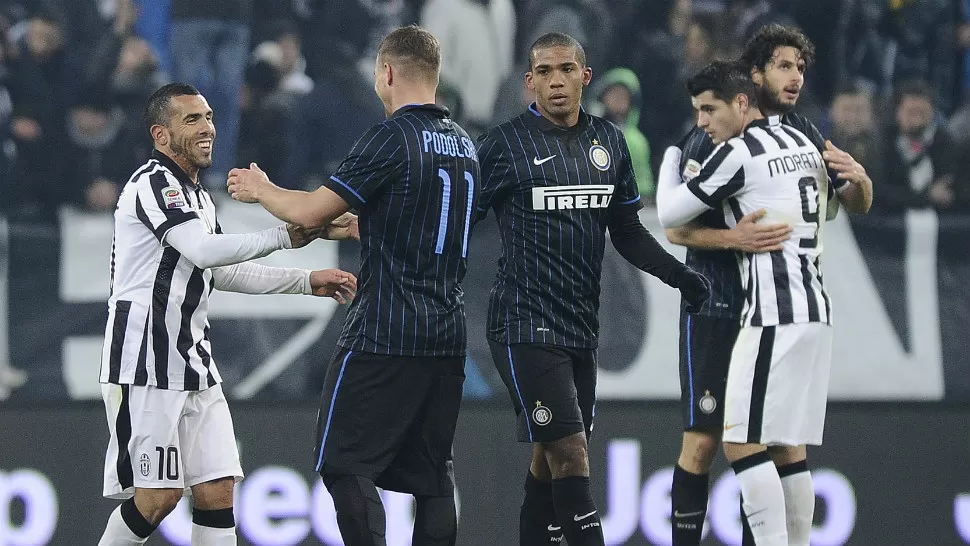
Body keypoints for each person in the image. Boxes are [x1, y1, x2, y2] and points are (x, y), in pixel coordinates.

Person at [225, 25, 477, 546]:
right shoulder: (464, 145)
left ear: (386, 73)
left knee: (342, 462)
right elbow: (411, 219)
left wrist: (260, 188)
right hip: (446, 333)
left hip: (385, 330)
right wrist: (356, 223)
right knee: (433, 480)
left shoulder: (391, 137)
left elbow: (311, 208)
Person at [474, 32, 710, 546]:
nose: (555, 81)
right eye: (544, 72)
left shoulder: (609, 143)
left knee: (548, 458)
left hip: (580, 327)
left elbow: (626, 230)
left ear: (585, 76)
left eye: (565, 70)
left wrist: (680, 277)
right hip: (522, 323)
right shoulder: (502, 146)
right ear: (529, 81)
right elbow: (455, 217)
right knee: (572, 454)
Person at [97, 82, 357, 546]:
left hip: (193, 359)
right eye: (192, 119)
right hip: (145, 360)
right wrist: (284, 236)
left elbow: (222, 272)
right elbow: (203, 249)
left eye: (210, 117)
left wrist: (305, 280)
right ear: (161, 135)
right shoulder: (151, 183)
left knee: (218, 490)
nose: (207, 129)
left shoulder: (197, 195)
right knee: (158, 497)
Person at [655, 23, 873, 546]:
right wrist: (735, 240)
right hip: (718, 302)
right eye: (783, 65)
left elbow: (847, 206)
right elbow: (678, 228)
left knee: (777, 444)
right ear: (752, 79)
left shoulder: (802, 133)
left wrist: (861, 182)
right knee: (706, 442)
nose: (795, 76)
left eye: (800, 67)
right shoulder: (710, 136)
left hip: (769, 307)